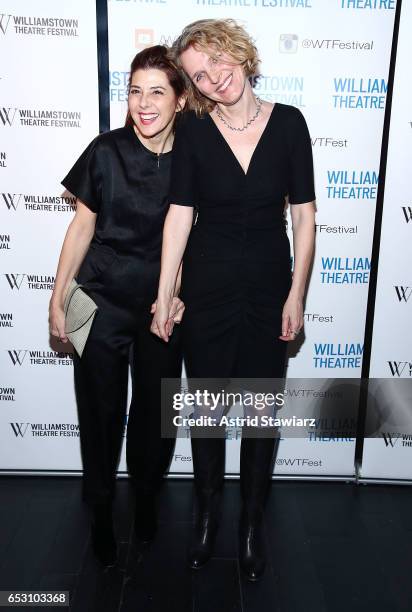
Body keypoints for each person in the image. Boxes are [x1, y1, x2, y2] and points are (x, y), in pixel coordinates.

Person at [151, 20, 316, 581]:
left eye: (216, 62)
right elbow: (179, 213)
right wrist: (165, 291)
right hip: (209, 288)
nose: (214, 78)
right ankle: (205, 519)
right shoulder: (195, 130)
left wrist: (297, 294)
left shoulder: (290, 123)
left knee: (262, 412)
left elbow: (304, 216)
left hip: (271, 286)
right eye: (199, 75)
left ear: (238, 53)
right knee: (210, 410)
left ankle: (250, 523)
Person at [49, 46, 186, 567]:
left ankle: (147, 500)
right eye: (134, 90)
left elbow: (197, 236)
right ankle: (102, 511)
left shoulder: (194, 157)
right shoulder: (104, 150)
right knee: (99, 414)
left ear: (179, 98)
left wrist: (178, 295)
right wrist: (59, 295)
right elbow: (82, 226)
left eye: (157, 92)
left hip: (160, 305)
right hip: (95, 299)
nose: (143, 103)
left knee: (155, 413)